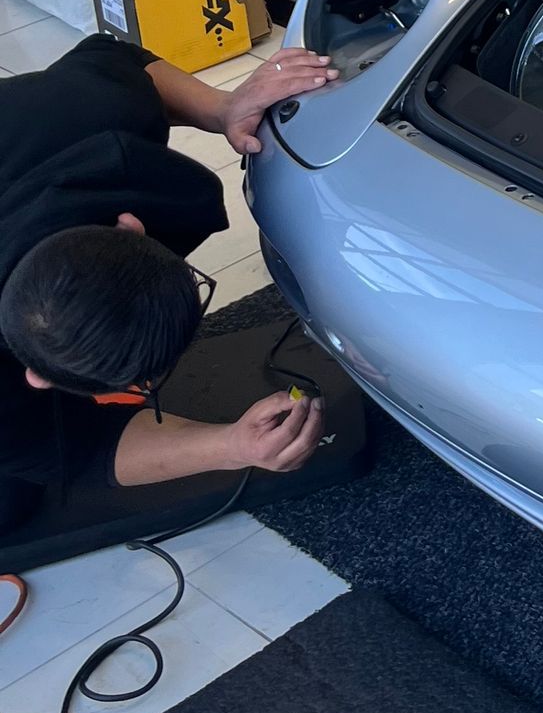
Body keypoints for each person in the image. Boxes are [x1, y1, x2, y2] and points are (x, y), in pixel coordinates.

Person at [0, 32, 337, 538]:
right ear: (36, 376)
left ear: (129, 224)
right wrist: (231, 448)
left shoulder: (78, 113)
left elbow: (121, 61)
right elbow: (85, 453)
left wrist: (224, 108)